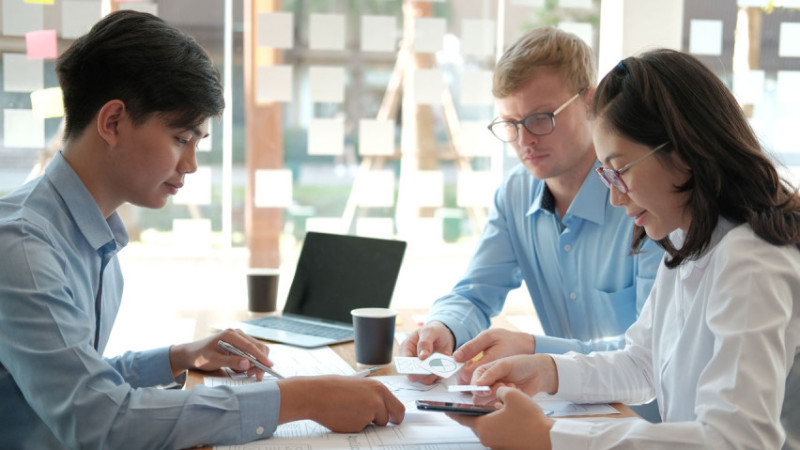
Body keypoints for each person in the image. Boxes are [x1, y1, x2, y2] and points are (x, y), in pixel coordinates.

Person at [0, 11, 403, 449]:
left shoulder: (87, 235)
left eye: (197, 144)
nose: (190, 165)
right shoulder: (23, 248)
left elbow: (74, 382)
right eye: (181, 138)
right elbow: (101, 421)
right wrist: (299, 398)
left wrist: (181, 357)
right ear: (112, 122)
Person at [449, 49, 800, 449]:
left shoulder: (752, 260)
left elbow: (738, 440)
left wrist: (550, 436)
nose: (615, 198)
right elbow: (642, 363)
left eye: (622, 170)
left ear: (683, 152)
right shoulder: (684, 242)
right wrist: (546, 371)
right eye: (606, 174)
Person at [401, 27, 663, 385]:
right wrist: (442, 327)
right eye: (511, 124)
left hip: (642, 422)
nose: (525, 140)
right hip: (568, 413)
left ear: (591, 101)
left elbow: (650, 355)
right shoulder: (515, 194)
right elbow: (475, 294)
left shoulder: (643, 198)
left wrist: (532, 349)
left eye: (541, 118)